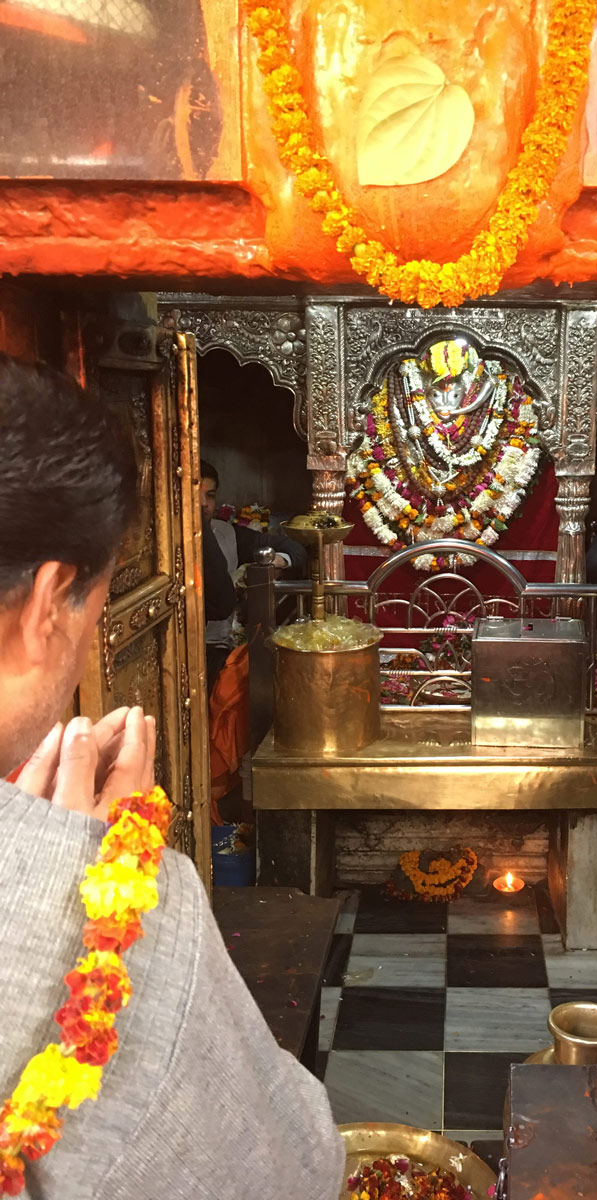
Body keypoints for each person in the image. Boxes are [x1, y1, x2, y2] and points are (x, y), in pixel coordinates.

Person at [0, 355, 344, 1199]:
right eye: (100, 600)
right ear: (51, 602)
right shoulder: (108, 889)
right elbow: (290, 1166)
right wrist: (103, 876)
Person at [200, 459, 306, 690]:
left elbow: (295, 549)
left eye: (209, 495)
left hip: (215, 651)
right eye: (195, 496)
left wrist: (275, 561)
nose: (203, 505)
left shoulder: (226, 533)